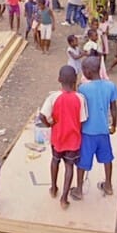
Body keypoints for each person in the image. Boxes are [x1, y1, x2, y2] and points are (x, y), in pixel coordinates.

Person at [38, 66, 88, 209]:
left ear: (59, 79)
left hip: (57, 138)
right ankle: (64, 198)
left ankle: (53, 188)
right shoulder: (80, 98)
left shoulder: (53, 97)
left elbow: (42, 115)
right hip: (73, 139)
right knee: (69, 166)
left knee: (55, 160)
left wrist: (48, 124)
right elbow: (82, 120)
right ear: (75, 80)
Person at [70, 57, 117, 200]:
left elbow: (78, 108)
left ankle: (79, 189)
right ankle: (108, 185)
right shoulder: (110, 86)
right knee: (107, 158)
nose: (82, 72)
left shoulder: (83, 88)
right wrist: (113, 124)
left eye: (84, 69)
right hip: (103, 130)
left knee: (83, 162)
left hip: (87, 132)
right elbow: (114, 108)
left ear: (89, 72)